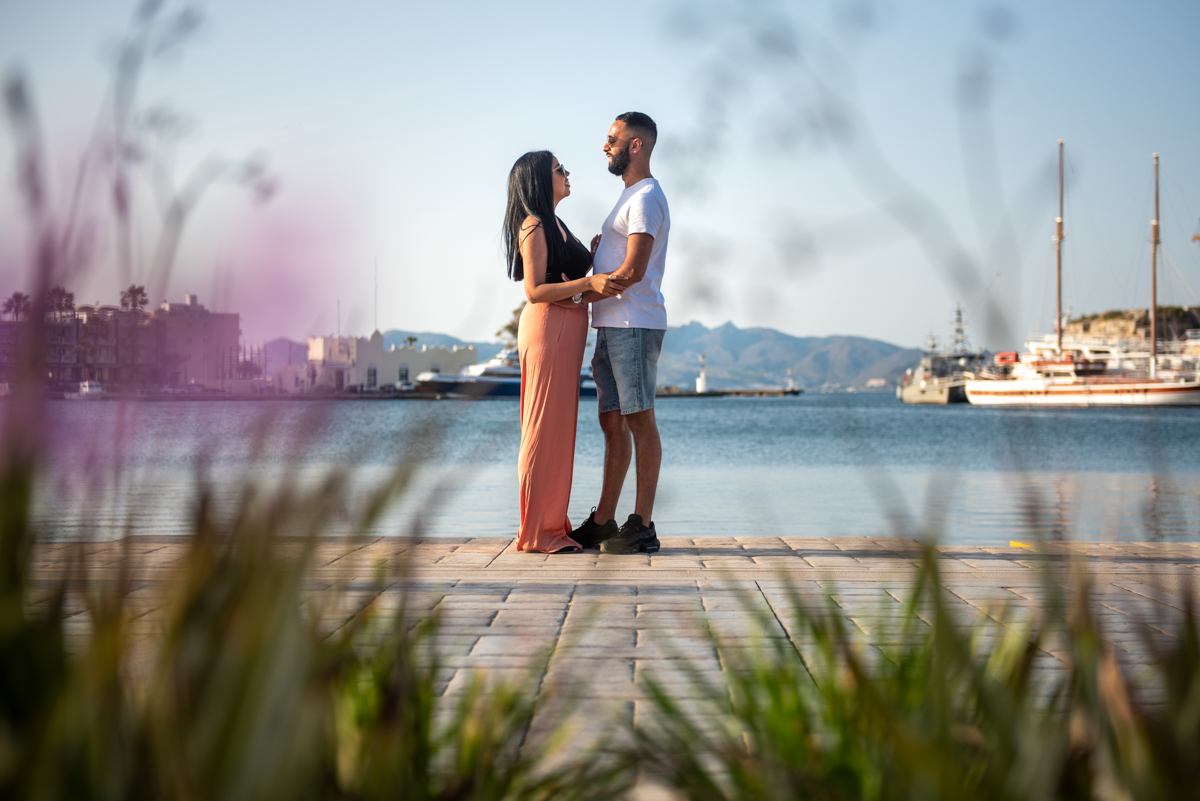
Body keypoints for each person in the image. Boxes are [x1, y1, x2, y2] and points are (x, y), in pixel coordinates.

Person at [503, 151, 631, 553]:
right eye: (560, 169)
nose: (567, 172)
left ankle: (550, 523)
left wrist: (590, 259)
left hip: (564, 330)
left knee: (558, 430)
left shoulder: (555, 223)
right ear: (541, 180)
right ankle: (539, 532)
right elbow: (536, 290)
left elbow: (567, 277)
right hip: (549, 330)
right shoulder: (533, 224)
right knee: (543, 430)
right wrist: (590, 284)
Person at [569, 112, 670, 555]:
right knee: (612, 422)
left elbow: (633, 270)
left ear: (636, 146)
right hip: (611, 326)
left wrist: (577, 296)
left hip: (634, 324)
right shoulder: (630, 196)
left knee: (639, 421)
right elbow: (616, 263)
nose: (605, 146)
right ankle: (604, 521)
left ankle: (643, 525)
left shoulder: (646, 196)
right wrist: (595, 261)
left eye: (612, 139)